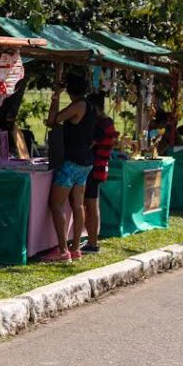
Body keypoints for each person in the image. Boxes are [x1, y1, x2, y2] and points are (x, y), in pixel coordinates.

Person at [40, 74, 96, 262]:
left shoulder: (78, 105)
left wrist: (56, 95)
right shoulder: (89, 106)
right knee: (77, 204)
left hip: (72, 162)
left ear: (70, 89)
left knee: (56, 205)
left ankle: (63, 250)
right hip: (85, 163)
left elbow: (52, 120)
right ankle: (75, 248)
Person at [82, 93, 118, 254]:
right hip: (99, 167)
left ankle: (92, 242)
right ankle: (91, 240)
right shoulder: (108, 122)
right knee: (92, 205)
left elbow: (89, 144)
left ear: (94, 107)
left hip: (94, 168)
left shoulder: (101, 125)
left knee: (91, 205)